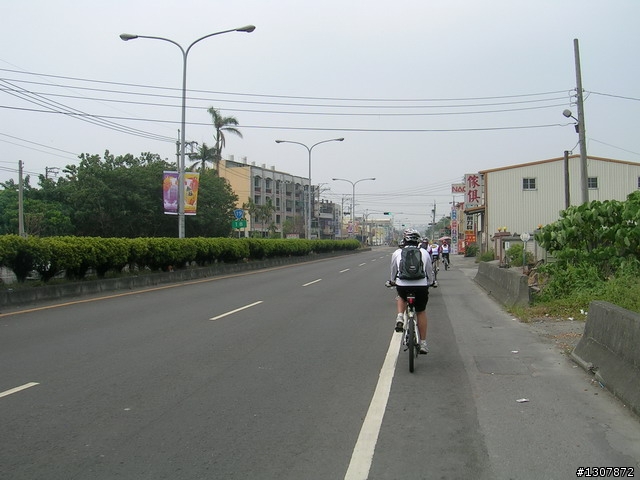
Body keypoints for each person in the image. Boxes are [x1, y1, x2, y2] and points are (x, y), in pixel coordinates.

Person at [388, 228, 434, 354]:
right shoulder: (424, 253)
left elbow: (393, 270)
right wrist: (431, 282)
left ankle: (400, 317)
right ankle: (423, 343)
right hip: (421, 286)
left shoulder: (397, 252)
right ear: (418, 240)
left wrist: (392, 281)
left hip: (402, 285)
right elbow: (429, 271)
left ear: (404, 240)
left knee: (401, 296)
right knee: (421, 311)